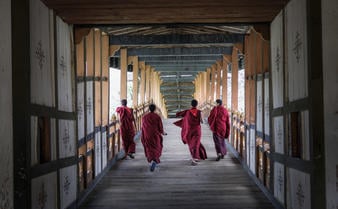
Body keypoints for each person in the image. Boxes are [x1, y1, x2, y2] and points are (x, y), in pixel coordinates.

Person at [174, 99, 207, 165]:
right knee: (196, 143)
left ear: (191, 105)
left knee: (191, 144)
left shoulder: (187, 112)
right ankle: (195, 157)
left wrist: (186, 119)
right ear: (197, 105)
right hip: (197, 130)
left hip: (189, 130)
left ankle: (194, 157)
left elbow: (178, 114)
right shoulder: (199, 112)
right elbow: (202, 121)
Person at [141, 104, 167, 172]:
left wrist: (144, 134)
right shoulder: (157, 117)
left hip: (147, 134)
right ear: (155, 109)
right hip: (155, 134)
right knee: (157, 146)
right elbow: (160, 127)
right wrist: (163, 132)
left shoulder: (144, 117)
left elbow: (143, 127)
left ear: (149, 109)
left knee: (149, 147)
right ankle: (155, 159)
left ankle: (152, 159)